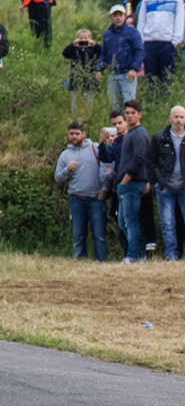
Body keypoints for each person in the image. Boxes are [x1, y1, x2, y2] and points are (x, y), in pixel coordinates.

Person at [148, 105, 185, 260]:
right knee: (168, 224)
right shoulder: (159, 138)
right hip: (165, 187)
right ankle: (171, 254)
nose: (179, 120)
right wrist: (156, 181)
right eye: (176, 117)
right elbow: (150, 161)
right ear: (170, 118)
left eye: (182, 117)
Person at [54, 121, 108, 261]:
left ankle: (101, 261)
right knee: (78, 234)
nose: (74, 137)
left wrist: (104, 189)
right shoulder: (65, 155)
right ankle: (80, 261)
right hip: (76, 199)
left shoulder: (95, 148)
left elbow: (107, 168)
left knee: (99, 233)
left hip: (96, 198)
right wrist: (68, 170)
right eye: (71, 134)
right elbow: (58, 178)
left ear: (83, 134)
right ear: (68, 135)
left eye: (77, 133)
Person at [116, 100, 152, 263]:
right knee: (123, 223)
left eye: (133, 113)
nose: (129, 116)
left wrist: (126, 178)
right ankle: (137, 253)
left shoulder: (140, 133)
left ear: (139, 114)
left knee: (130, 222)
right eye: (127, 113)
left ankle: (133, 255)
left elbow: (140, 158)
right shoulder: (129, 133)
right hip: (126, 184)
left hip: (132, 183)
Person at [136, 0, 185, 90]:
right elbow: (141, 21)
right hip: (149, 42)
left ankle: (165, 102)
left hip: (167, 42)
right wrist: (141, 41)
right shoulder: (147, 0)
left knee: (167, 77)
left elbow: (180, 21)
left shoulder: (177, 0)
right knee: (151, 76)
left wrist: (175, 41)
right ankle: (152, 101)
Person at [98, 5, 145, 107]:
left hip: (127, 73)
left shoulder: (133, 32)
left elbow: (140, 51)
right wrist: (99, 69)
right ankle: (117, 123)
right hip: (112, 74)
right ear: (111, 17)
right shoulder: (107, 33)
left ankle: (130, 123)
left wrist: (134, 69)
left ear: (124, 16)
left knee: (129, 104)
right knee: (114, 105)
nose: (118, 18)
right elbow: (104, 53)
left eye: (120, 15)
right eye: (115, 15)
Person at [62, 30, 101, 114]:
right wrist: (73, 45)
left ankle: (88, 118)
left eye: (86, 38)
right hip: (76, 79)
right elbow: (65, 54)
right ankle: (75, 117)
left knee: (89, 103)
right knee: (75, 103)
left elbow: (102, 54)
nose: (83, 40)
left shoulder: (93, 49)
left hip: (90, 80)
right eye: (81, 38)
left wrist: (95, 45)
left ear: (90, 38)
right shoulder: (74, 49)